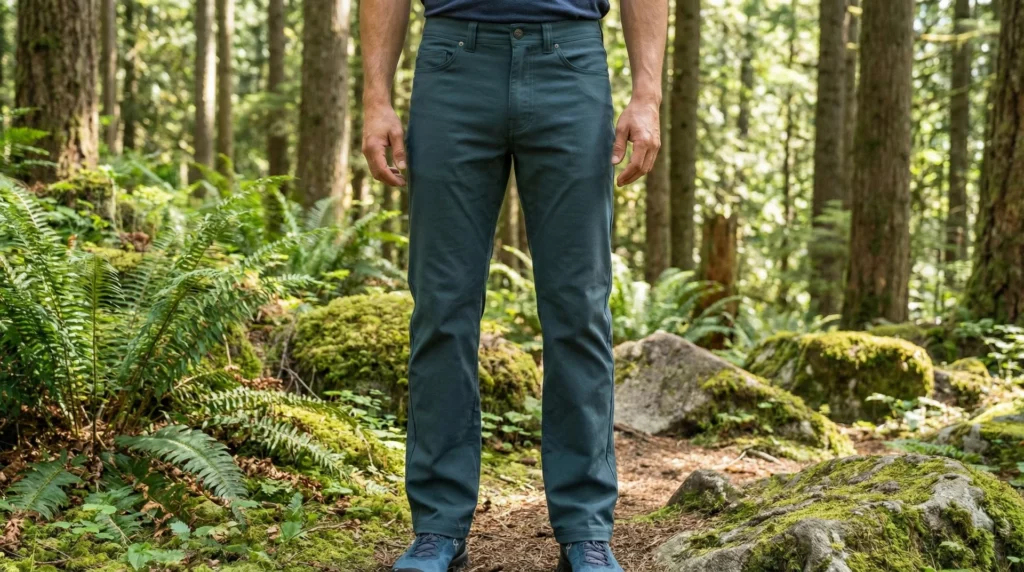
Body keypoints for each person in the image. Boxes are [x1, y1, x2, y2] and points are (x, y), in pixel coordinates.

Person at [361, 0, 666, 570]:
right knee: (442, 306)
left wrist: (647, 93)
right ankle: (438, 525)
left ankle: (585, 527)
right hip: (453, 62)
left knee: (579, 308)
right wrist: (376, 97)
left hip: (570, 62)